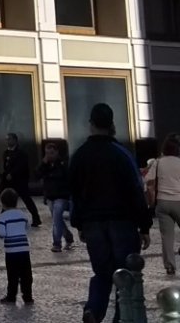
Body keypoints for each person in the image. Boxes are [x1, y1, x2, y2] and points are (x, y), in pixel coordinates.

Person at [69, 102, 152, 323]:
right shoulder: (122, 154)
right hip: (122, 222)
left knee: (102, 272)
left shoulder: (79, 156)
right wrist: (144, 226)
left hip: (93, 224)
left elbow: (74, 193)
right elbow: (137, 190)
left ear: (91, 124)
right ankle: (121, 317)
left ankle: (94, 310)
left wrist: (78, 224)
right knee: (124, 273)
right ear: (111, 124)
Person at [146, 132, 180, 276]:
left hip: (163, 202)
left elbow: (149, 182)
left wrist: (151, 199)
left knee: (167, 236)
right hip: (179, 200)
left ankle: (170, 266)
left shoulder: (157, 162)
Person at [0, 188, 33, 305]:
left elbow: (1, 233)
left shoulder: (3, 217)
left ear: (3, 203)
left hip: (11, 251)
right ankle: (28, 296)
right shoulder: (23, 214)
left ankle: (11, 296)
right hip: (24, 250)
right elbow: (28, 226)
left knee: (12, 275)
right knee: (26, 274)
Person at [36, 141, 75, 253]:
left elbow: (66, 178)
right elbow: (37, 175)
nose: (50, 156)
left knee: (56, 216)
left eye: (52, 153)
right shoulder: (45, 165)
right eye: (47, 153)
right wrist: (43, 164)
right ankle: (67, 236)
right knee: (57, 219)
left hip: (61, 196)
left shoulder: (63, 164)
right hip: (50, 196)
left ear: (57, 152)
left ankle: (56, 243)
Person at [0, 133, 42, 229]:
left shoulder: (21, 153)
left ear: (15, 140)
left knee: (27, 199)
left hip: (20, 181)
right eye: (7, 139)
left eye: (9, 139)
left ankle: (36, 218)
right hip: (9, 181)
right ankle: (3, 218)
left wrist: (13, 174)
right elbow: (6, 165)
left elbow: (22, 166)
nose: (8, 141)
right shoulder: (6, 153)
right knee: (6, 199)